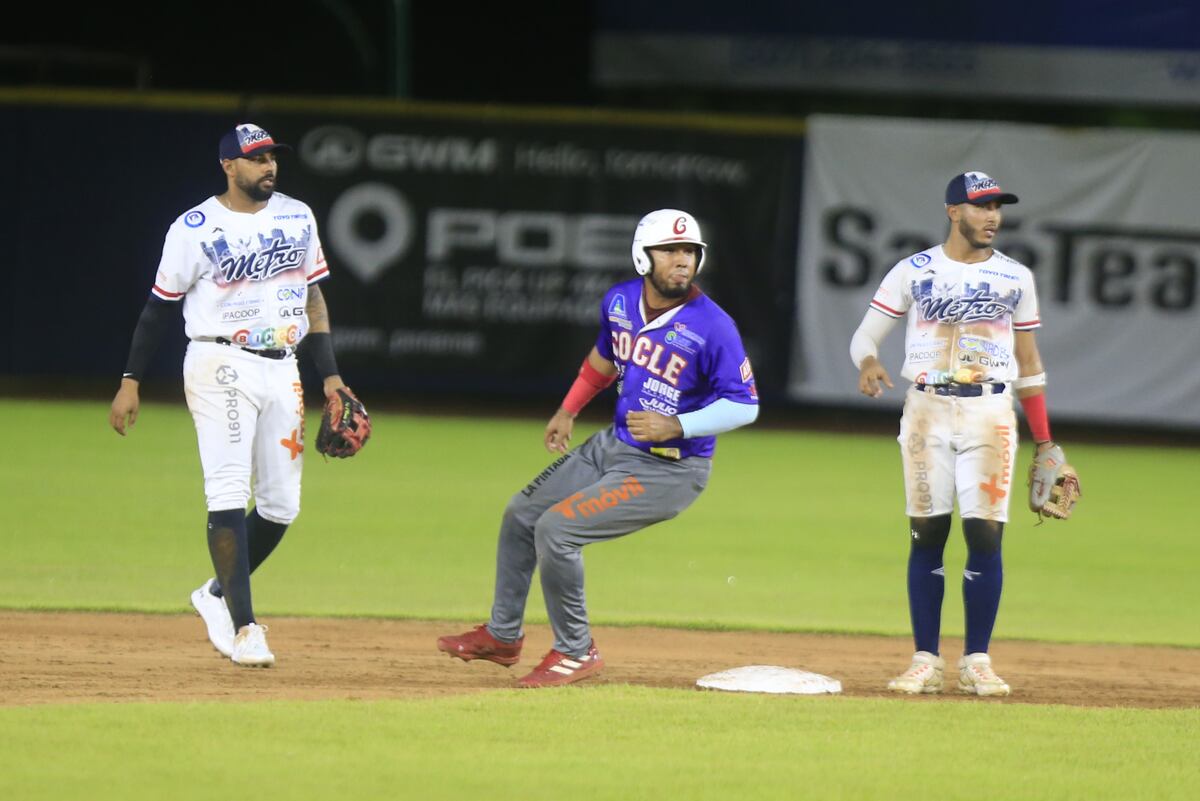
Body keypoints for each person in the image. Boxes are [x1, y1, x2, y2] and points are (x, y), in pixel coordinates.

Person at [437, 209, 759, 688]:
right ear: (642, 256)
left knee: (558, 530)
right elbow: (604, 360)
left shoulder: (714, 326)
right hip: (613, 445)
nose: (682, 260)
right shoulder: (620, 301)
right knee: (522, 514)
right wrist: (568, 410)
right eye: (669, 250)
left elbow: (745, 405)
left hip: (670, 469)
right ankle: (503, 636)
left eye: (690, 251)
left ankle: (575, 650)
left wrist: (677, 424)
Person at [109, 123, 355, 668]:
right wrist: (130, 380)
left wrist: (332, 377)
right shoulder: (194, 228)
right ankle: (245, 628)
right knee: (226, 489)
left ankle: (215, 594)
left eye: (273, 157)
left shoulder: (297, 216)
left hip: (284, 367)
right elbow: (158, 308)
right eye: (257, 158)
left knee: (281, 505)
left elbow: (313, 298)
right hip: (219, 362)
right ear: (228, 166)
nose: (269, 166)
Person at [850, 171, 1059, 697]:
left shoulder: (1015, 277)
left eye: (997, 207)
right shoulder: (913, 271)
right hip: (927, 410)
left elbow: (1029, 363)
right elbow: (865, 335)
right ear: (953, 211)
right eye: (981, 206)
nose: (992, 216)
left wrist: (1045, 440)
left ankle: (976, 661)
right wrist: (869, 361)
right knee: (926, 533)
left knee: (985, 533)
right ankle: (925, 659)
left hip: (991, 410)